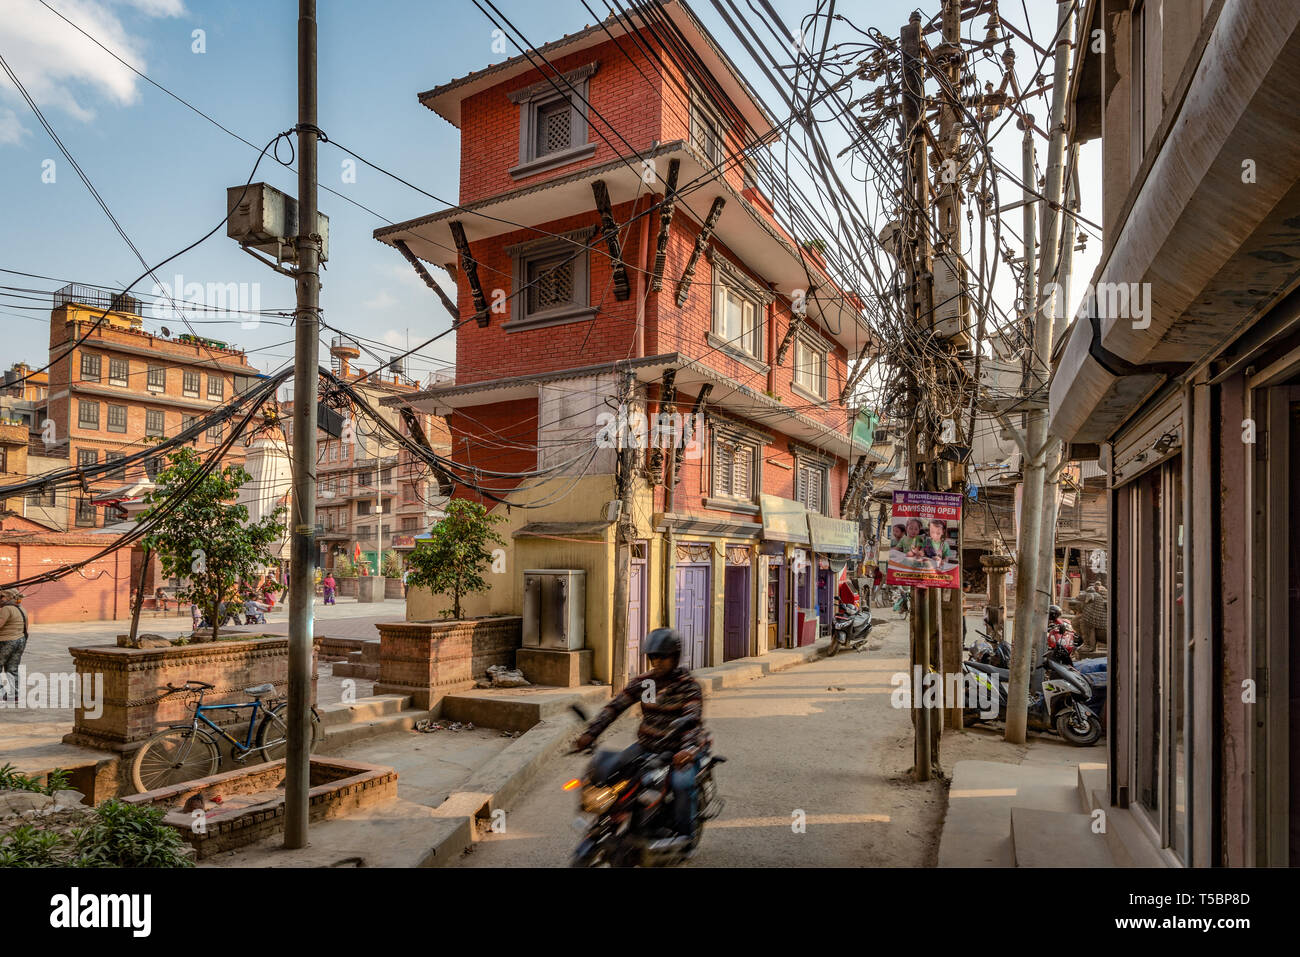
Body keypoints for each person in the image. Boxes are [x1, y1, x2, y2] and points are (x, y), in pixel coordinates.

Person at [574, 628, 705, 845]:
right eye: (653, 657)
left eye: (663, 657)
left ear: (674, 657)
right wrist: (590, 733)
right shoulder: (647, 683)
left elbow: (692, 719)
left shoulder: (688, 686)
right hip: (648, 745)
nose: (657, 662)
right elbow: (615, 706)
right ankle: (610, 823)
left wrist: (687, 749)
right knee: (614, 772)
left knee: (682, 783)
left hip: (679, 750)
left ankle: (685, 837)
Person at [0, 590, 29, 702]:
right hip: (20, 641)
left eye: (1, 596)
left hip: (6, 641)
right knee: (12, 668)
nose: (0, 599)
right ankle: (14, 695)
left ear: (8, 597)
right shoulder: (21, 608)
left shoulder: (7, 609)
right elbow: (26, 626)